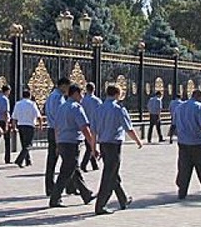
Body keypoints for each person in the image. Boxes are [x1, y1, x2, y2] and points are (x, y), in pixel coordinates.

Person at [93, 84, 143, 215]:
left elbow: (93, 131)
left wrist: (93, 148)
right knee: (109, 175)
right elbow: (128, 128)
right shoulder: (118, 109)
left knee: (113, 173)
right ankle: (101, 205)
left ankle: (123, 199)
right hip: (114, 145)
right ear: (117, 94)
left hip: (103, 144)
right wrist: (138, 141)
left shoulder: (99, 109)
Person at [48, 83, 96, 208]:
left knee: (74, 169)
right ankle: (55, 198)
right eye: (80, 94)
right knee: (66, 171)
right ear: (75, 93)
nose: (82, 97)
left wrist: (58, 143)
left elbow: (56, 127)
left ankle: (86, 194)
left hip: (63, 142)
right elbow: (84, 127)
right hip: (72, 142)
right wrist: (92, 144)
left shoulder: (62, 107)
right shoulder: (76, 107)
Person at [43, 77, 70, 197]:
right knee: (68, 160)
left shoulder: (51, 96)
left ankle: (51, 186)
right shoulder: (58, 98)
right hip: (57, 130)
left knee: (53, 161)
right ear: (63, 86)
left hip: (52, 129)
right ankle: (62, 187)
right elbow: (59, 117)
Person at [12, 89, 41, 167]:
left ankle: (28, 161)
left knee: (24, 144)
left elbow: (14, 117)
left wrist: (14, 126)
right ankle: (19, 160)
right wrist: (40, 125)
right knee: (28, 145)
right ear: (30, 96)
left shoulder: (18, 104)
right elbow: (38, 115)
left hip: (20, 125)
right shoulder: (32, 104)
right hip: (30, 125)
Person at [80, 82, 102, 171]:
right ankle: (83, 164)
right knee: (90, 146)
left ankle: (94, 164)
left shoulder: (83, 100)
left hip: (84, 124)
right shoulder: (97, 101)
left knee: (89, 144)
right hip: (93, 124)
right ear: (94, 89)